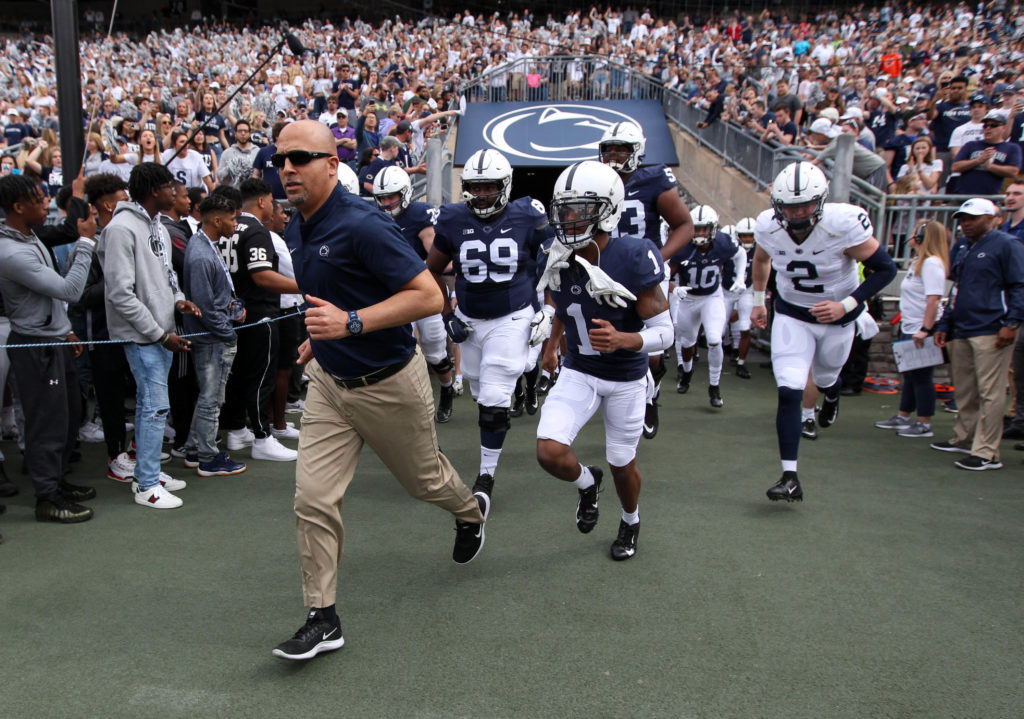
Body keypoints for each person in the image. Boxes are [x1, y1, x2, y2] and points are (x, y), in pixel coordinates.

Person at [271, 120, 487, 661]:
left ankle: (470, 513)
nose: (288, 168)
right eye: (280, 160)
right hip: (329, 383)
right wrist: (323, 340)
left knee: (424, 482)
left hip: (389, 383)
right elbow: (329, 294)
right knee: (313, 499)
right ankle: (323, 617)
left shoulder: (364, 223)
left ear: (331, 164)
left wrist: (350, 324)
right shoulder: (298, 225)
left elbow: (429, 296)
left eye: (300, 157)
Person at [536, 160, 672, 560]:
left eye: (580, 209)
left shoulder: (632, 254)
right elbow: (565, 304)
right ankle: (586, 485)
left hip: (627, 377)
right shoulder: (556, 252)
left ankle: (630, 519)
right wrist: (551, 344)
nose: (570, 218)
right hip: (580, 369)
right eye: (565, 209)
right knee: (549, 451)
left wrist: (625, 339)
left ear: (608, 209)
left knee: (621, 462)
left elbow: (666, 332)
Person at [751, 161, 896, 502]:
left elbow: (885, 269)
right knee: (789, 389)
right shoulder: (767, 227)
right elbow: (761, 260)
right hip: (792, 314)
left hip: (838, 318)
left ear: (821, 201)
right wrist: (759, 299)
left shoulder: (842, 224)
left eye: (805, 205)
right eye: (789, 206)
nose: (798, 213)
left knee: (828, 376)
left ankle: (832, 393)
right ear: (777, 205)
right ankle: (790, 475)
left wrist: (846, 304)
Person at [427, 148, 549, 503]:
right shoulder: (451, 218)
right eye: (475, 187)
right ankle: (527, 369)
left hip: (513, 314)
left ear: (505, 185)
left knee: (494, 396)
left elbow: (556, 257)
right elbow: (432, 268)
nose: (481, 194)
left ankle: (485, 478)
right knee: (482, 396)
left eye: (489, 187)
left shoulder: (528, 214)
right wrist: (447, 314)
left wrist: (546, 308)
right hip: (469, 318)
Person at [0, 174, 98, 523]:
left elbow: (50, 299)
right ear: (18, 206)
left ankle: (57, 481)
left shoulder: (29, 237)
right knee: (47, 423)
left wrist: (66, 330)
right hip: (35, 347)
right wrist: (86, 243)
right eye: (39, 198)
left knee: (69, 415)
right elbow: (69, 291)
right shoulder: (10, 251)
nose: (46, 203)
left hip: (54, 339)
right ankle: (47, 497)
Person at [100, 162, 196, 509]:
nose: (175, 191)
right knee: (155, 408)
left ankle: (148, 470)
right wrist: (158, 333)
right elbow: (120, 294)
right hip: (145, 336)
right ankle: (146, 485)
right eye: (170, 185)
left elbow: (167, 275)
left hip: (161, 331)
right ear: (154, 190)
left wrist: (179, 301)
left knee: (150, 406)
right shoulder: (121, 229)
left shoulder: (155, 225)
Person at [593, 120, 694, 439]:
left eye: (621, 150)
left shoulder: (652, 179)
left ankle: (651, 397)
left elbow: (684, 226)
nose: (613, 157)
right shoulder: (594, 182)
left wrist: (657, 258)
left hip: (644, 273)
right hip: (604, 273)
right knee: (609, 340)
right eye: (608, 150)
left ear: (636, 152)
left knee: (652, 351)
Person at [932, 198, 1024, 470]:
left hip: (993, 328)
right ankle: (964, 436)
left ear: (992, 218)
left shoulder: (1007, 245)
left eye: (973, 218)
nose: (965, 224)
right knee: (966, 389)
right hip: (963, 327)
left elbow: (1019, 285)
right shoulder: (963, 248)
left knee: (990, 392)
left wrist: (1013, 322)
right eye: (962, 219)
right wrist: (944, 324)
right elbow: (956, 289)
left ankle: (986, 452)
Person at [219, 178, 299, 462]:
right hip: (259, 313)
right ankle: (262, 436)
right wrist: (305, 286)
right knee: (261, 375)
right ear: (263, 201)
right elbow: (262, 274)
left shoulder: (227, 227)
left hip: (234, 314)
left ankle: (237, 428)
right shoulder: (255, 230)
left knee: (238, 375)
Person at [372, 166, 455, 423]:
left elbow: (437, 260)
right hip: (396, 296)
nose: (386, 203)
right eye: (382, 198)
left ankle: (447, 389)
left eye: (392, 197)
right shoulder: (375, 220)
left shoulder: (420, 216)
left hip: (425, 293)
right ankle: (409, 403)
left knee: (434, 352)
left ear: (406, 193)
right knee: (399, 350)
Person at [180, 193, 247, 477]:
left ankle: (195, 450)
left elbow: (215, 299)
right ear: (217, 220)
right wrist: (228, 333)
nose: (235, 224)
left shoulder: (203, 246)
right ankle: (208, 458)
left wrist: (231, 308)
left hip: (211, 335)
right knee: (211, 398)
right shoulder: (200, 254)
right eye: (233, 219)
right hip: (210, 339)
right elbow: (205, 306)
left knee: (208, 397)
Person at [874, 220, 950, 438]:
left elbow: (934, 300)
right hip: (911, 324)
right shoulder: (920, 262)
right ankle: (904, 415)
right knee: (909, 374)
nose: (911, 236)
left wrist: (926, 329)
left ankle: (924, 423)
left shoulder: (931, 264)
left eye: (916, 233)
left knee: (922, 376)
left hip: (920, 327)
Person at [669, 205, 745, 407]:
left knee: (714, 339)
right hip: (688, 299)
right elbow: (664, 273)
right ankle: (686, 371)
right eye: (697, 228)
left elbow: (741, 255)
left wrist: (739, 278)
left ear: (712, 229)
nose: (700, 233)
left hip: (712, 297)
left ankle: (714, 386)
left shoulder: (722, 242)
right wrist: (673, 288)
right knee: (687, 343)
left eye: (704, 229)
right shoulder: (683, 246)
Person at [951, 111, 1022, 196]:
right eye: (985, 126)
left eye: (993, 125)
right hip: (964, 195)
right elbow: (955, 167)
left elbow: (1013, 171)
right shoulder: (971, 145)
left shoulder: (1011, 147)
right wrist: (978, 160)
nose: (988, 128)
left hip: (992, 197)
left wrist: (990, 167)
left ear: (1004, 128)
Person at [217, 119, 259, 189]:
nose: (243, 133)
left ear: (249, 134)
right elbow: (220, 177)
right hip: (233, 194)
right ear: (235, 134)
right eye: (240, 131)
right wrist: (229, 167)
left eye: (245, 131)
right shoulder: (227, 153)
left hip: (252, 194)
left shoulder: (257, 151)